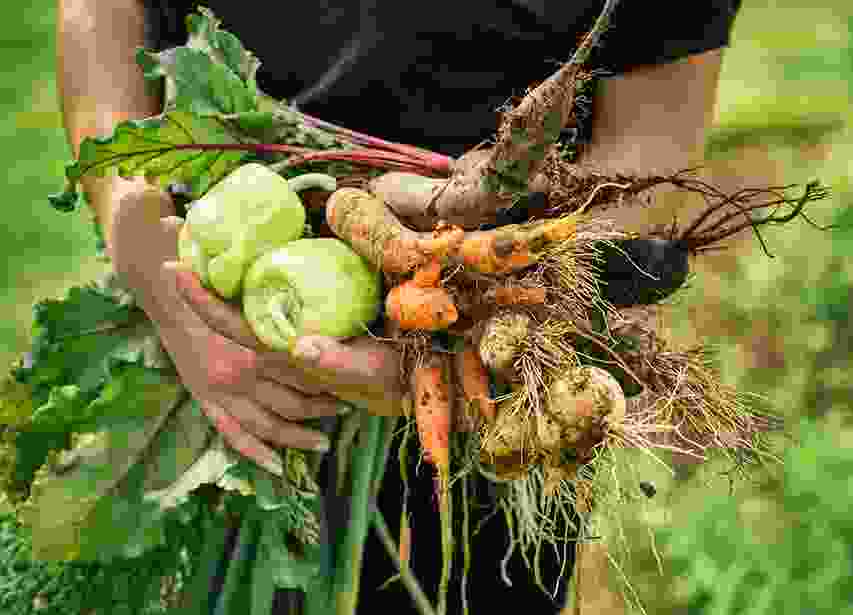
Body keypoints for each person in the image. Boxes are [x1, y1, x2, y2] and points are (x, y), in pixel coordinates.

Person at [57, 0, 743, 611]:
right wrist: (140, 237)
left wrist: (502, 301)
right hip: (215, 329)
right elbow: (100, 12)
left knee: (485, 576)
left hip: (501, 375)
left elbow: (656, 134)